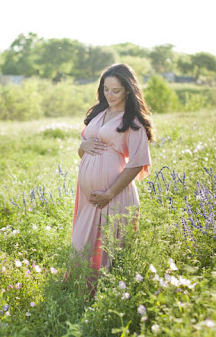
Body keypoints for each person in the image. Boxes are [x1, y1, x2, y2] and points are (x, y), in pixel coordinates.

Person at [65, 63, 156, 296]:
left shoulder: (132, 121)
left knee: (107, 250)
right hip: (89, 197)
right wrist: (83, 146)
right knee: (81, 246)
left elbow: (137, 163)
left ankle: (101, 298)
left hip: (114, 194)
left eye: (116, 90)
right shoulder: (99, 114)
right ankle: (77, 294)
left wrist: (109, 193)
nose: (110, 95)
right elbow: (84, 152)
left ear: (128, 90)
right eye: (106, 89)